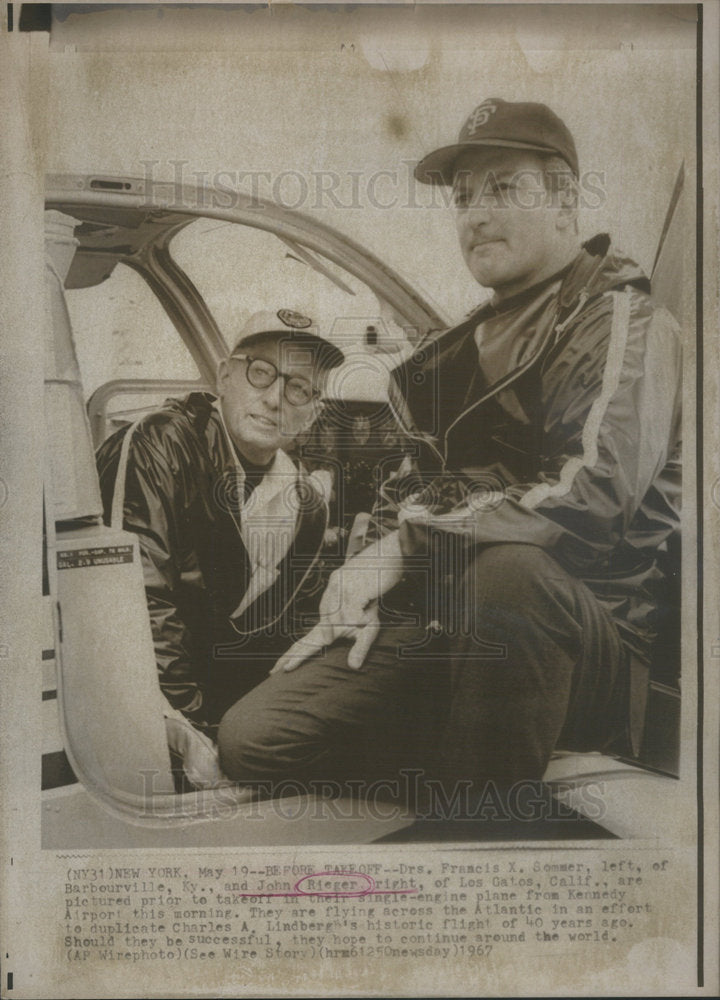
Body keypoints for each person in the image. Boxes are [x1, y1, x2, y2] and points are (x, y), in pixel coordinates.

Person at [216, 99, 682, 821]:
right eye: (464, 198)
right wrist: (365, 582)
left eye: (502, 188)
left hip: (582, 640)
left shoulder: (623, 322)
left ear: (563, 201)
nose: (474, 214)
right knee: (254, 741)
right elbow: (409, 490)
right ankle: (479, 773)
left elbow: (593, 496)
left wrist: (405, 547)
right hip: (451, 616)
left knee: (511, 577)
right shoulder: (452, 353)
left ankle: (476, 840)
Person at [96, 309, 344, 788]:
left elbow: (286, 631)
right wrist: (194, 729)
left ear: (313, 410)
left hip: (213, 696)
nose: (274, 399)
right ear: (225, 377)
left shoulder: (307, 505)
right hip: (135, 689)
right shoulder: (162, 442)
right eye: (261, 373)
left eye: (298, 387)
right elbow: (138, 597)